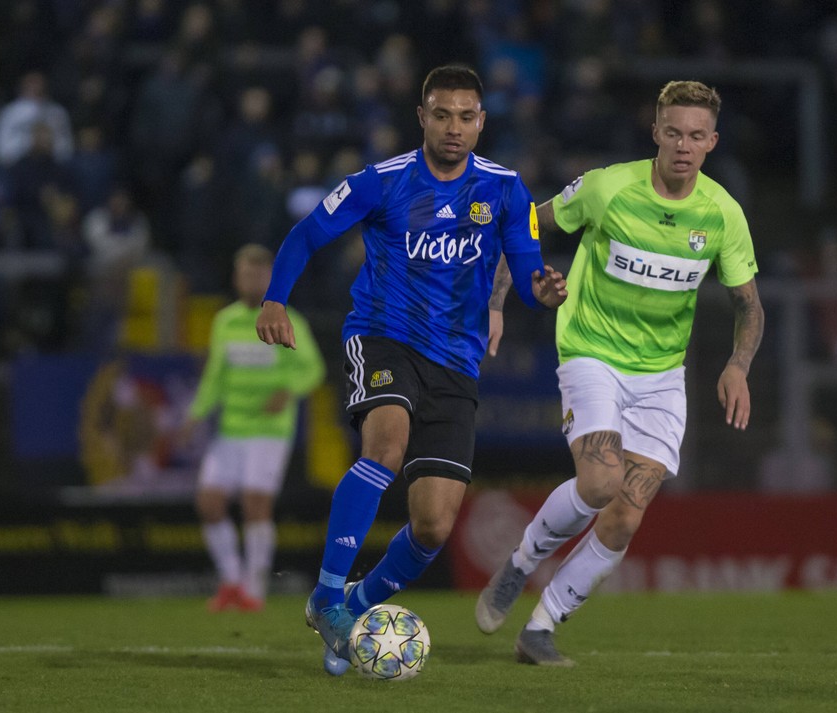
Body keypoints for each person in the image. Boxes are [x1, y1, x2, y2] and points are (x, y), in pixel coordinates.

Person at [256, 65, 566, 674]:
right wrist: (274, 298)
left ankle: (355, 606)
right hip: (383, 338)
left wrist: (543, 290)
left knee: (432, 527)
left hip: (456, 363)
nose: (455, 128)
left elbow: (527, 272)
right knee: (386, 445)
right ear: (421, 117)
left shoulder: (505, 190)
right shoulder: (382, 182)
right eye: (443, 115)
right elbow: (305, 233)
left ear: (482, 121)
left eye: (467, 117)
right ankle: (324, 593)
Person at [475, 80, 765, 666]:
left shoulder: (722, 215)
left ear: (712, 142)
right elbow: (528, 225)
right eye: (674, 132)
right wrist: (498, 299)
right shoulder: (609, 187)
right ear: (656, 132)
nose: (684, 146)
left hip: (661, 373)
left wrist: (738, 366)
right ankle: (521, 563)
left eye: (696, 136)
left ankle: (541, 626)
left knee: (626, 515)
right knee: (602, 482)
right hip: (591, 350)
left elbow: (749, 304)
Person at [185, 243, 326, 612]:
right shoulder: (225, 321)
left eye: (259, 274)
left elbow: (313, 369)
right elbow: (215, 376)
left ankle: (254, 587)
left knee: (255, 504)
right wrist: (195, 415)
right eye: (246, 273)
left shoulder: (287, 320)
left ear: (270, 278)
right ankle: (231, 579)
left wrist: (288, 390)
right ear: (236, 277)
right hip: (230, 429)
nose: (252, 280)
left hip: (269, 430)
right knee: (210, 502)